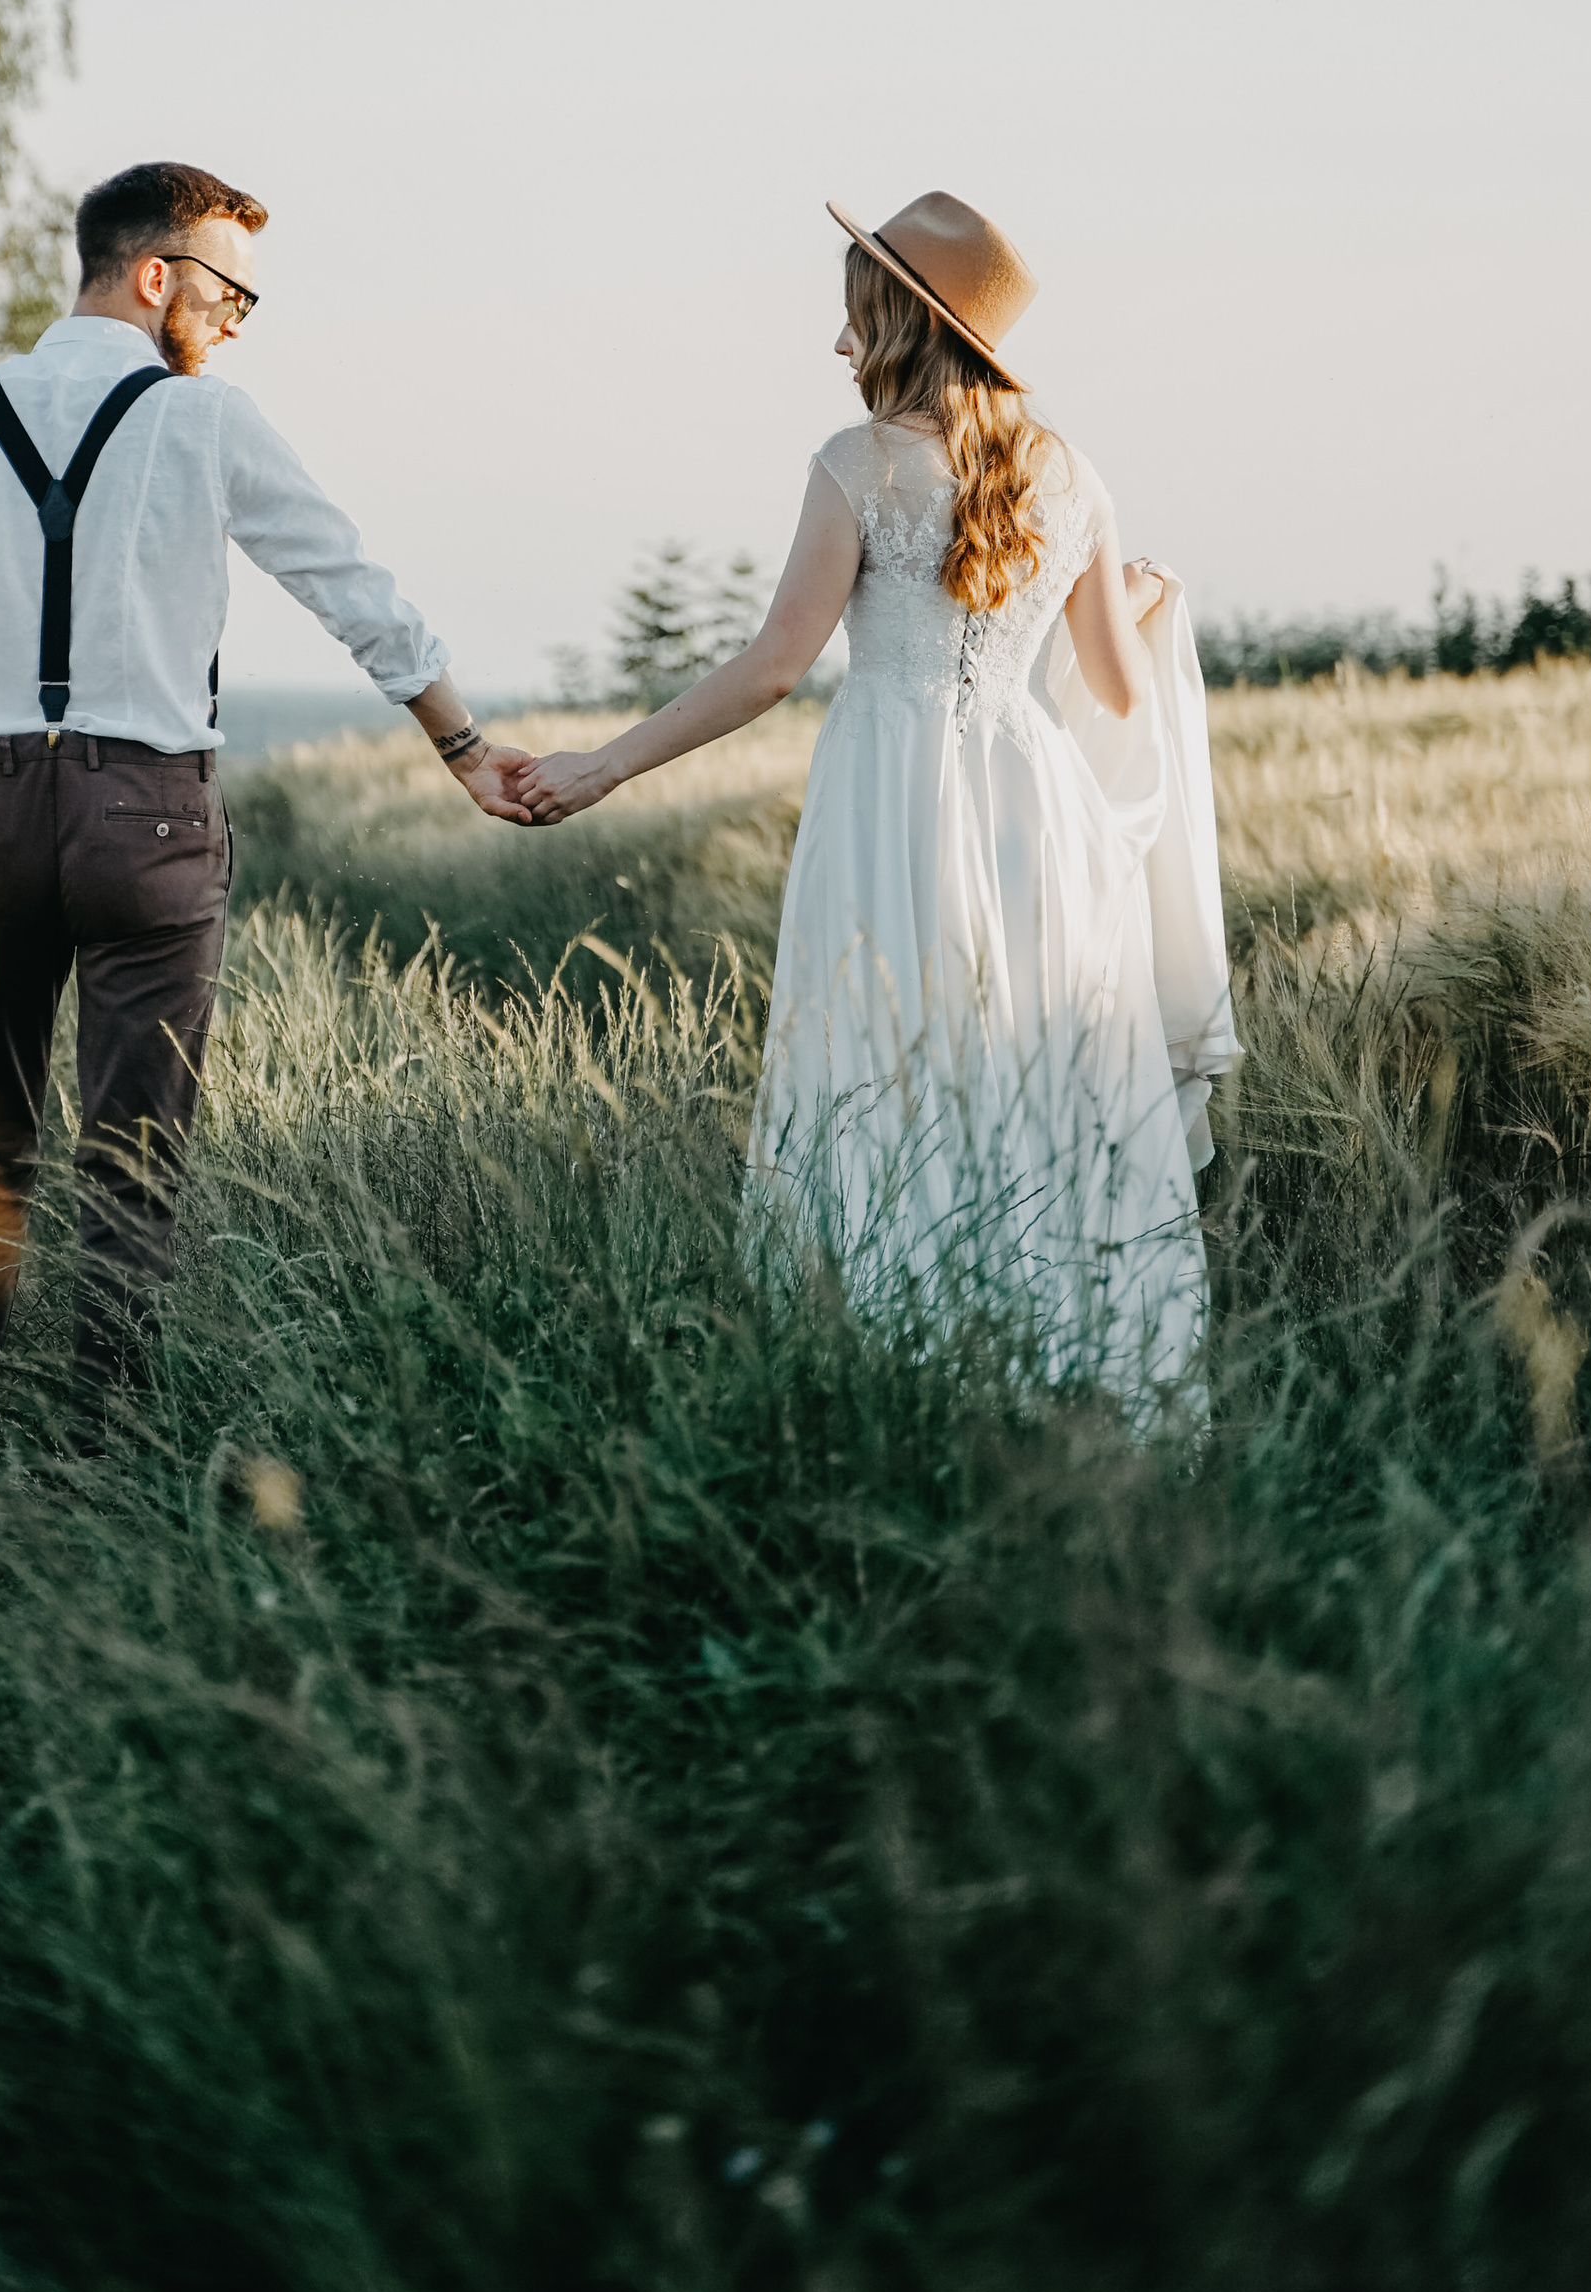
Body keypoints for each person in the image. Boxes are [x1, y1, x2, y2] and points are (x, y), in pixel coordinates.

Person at [0, 158, 532, 1449]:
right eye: (230, 293)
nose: (234, 322)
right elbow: (353, 587)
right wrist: (465, 750)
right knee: (133, 1160)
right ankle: (105, 1454)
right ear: (155, 274)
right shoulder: (206, 423)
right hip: (150, 822)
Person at [513, 190, 1230, 1401]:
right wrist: (1151, 595)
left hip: (893, 793)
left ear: (906, 319)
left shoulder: (857, 465)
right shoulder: (1073, 477)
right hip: (1034, 806)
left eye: (854, 314)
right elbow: (1113, 684)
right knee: (1027, 1072)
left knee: (884, 1070)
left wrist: (603, 766)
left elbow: (772, 668)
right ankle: (1064, 1365)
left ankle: (900, 1367)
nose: (840, 341)